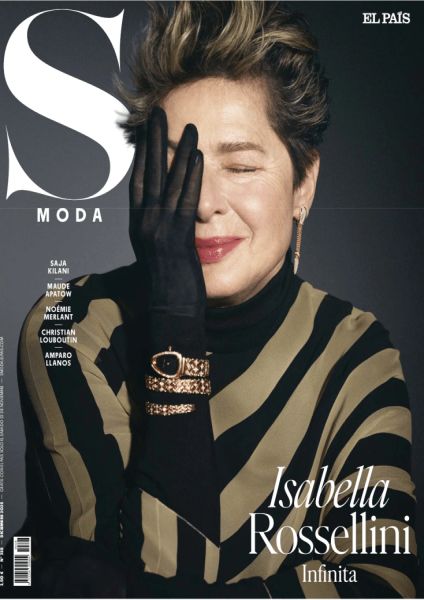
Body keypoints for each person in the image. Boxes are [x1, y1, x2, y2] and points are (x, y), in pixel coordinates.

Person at [5, 1, 417, 598]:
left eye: (242, 167)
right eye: (175, 168)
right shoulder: (71, 326)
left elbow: (384, 586)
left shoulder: (355, 355)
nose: (201, 203)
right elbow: (140, 571)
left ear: (304, 184)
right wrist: (175, 320)